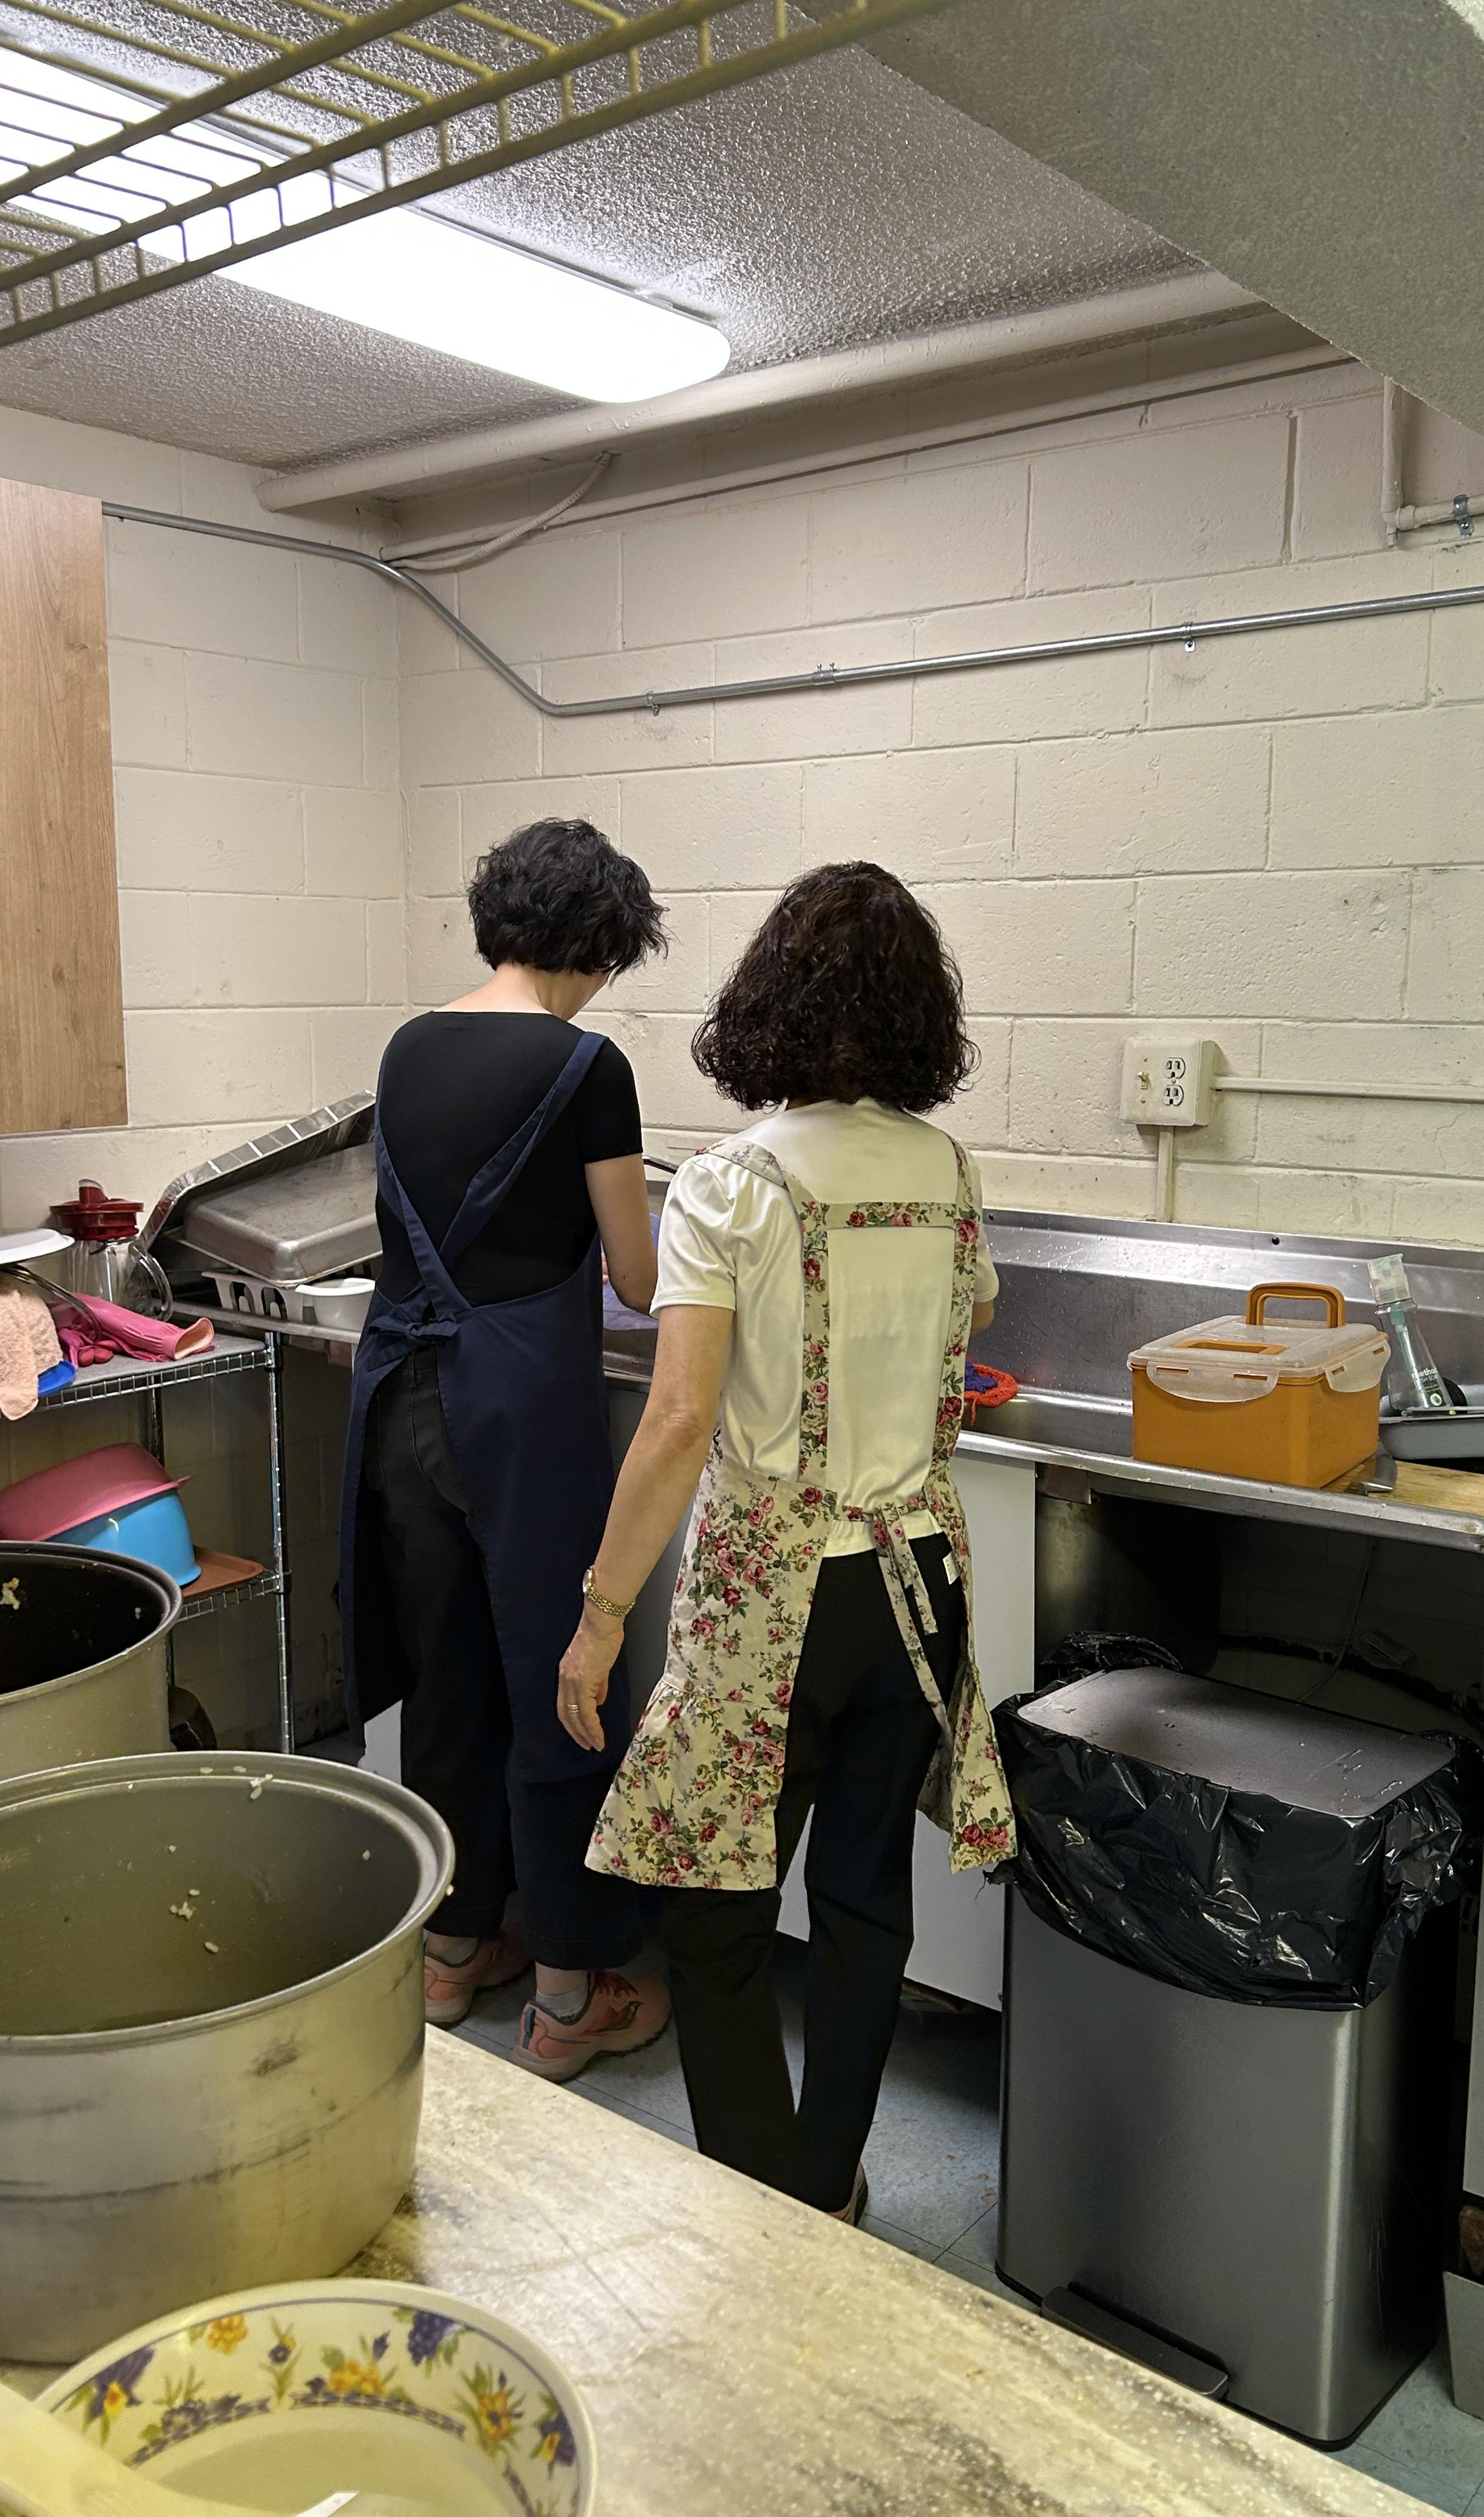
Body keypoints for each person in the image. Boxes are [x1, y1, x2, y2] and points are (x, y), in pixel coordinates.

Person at [555, 861, 1018, 2220]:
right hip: (917, 1578)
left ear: (771, 1005)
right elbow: (975, 1318)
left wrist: (600, 1616)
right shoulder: (946, 1170)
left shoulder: (727, 1186)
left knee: (716, 1909)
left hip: (778, 1600)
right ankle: (827, 2181)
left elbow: (677, 1420)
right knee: (865, 1895)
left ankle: (765, 2205)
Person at [340, 817, 671, 2081]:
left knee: (449, 1676)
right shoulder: (587, 1065)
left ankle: (451, 1950)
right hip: (520, 1411)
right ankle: (571, 1995)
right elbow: (634, 1275)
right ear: (595, 942)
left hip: (401, 1398)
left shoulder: (407, 1046)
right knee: (560, 1678)